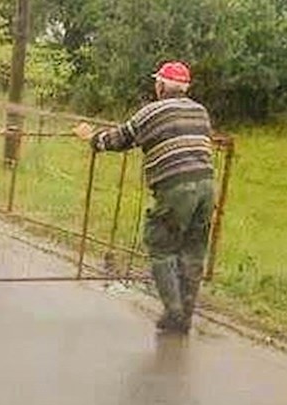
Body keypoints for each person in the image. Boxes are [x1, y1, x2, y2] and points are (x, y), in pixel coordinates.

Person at [74, 62, 215, 335]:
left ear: (161, 86)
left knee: (160, 245)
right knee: (193, 252)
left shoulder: (151, 112)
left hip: (176, 188)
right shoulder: (200, 112)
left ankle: (173, 311)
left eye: (157, 83)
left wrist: (91, 137)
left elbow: (119, 140)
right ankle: (185, 316)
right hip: (207, 187)